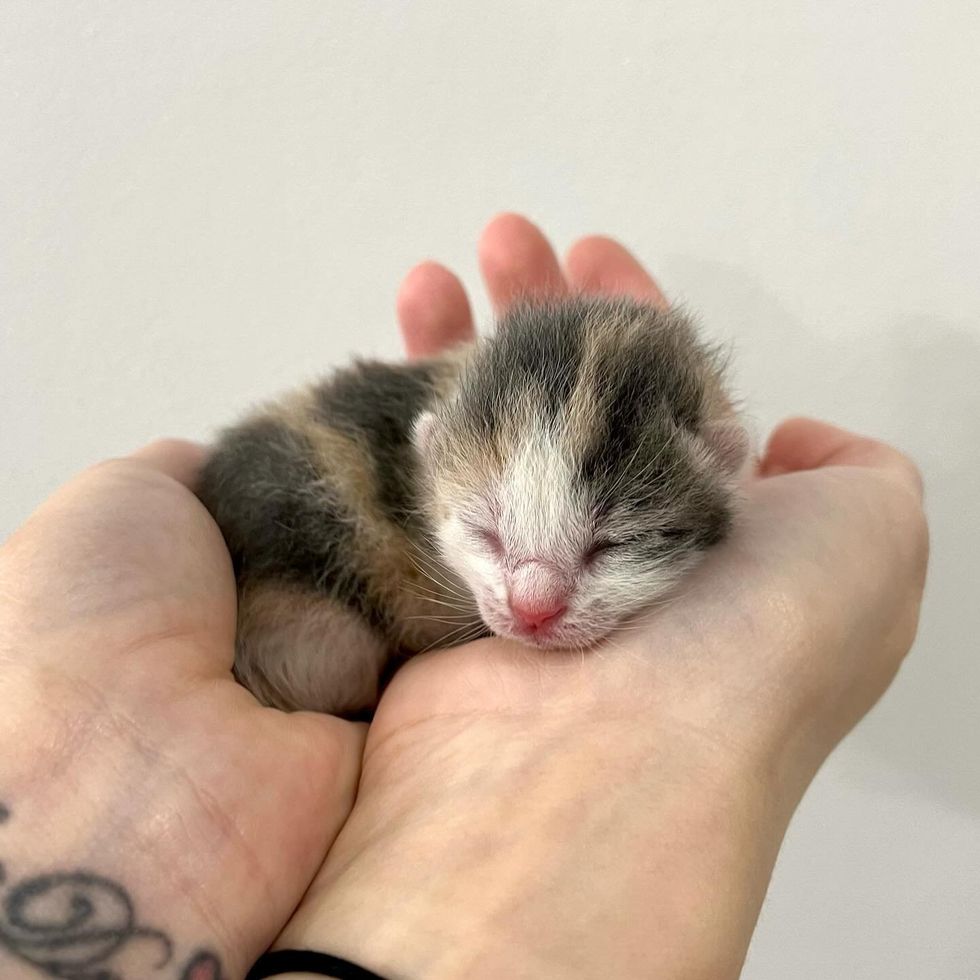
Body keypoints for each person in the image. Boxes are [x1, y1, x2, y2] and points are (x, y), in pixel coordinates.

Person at [0, 214, 928, 980]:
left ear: (720, 477)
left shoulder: (639, 476)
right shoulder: (407, 462)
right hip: (294, 582)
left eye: (610, 547)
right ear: (432, 449)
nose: (528, 607)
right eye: (485, 538)